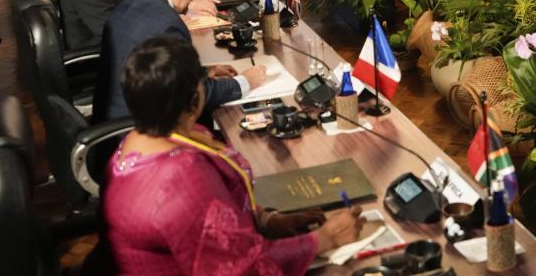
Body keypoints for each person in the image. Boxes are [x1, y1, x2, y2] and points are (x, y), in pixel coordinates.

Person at [101, 36, 362, 275]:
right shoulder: (182, 182)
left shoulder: (139, 141)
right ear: (194, 100)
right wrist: (324, 239)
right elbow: (242, 268)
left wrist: (266, 220)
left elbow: (214, 228)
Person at [100, 0, 267, 121]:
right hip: (139, 125)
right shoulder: (168, 24)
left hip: (118, 113)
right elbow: (189, 95)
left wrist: (203, 71)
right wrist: (244, 82)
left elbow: (159, 70)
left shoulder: (134, 3)